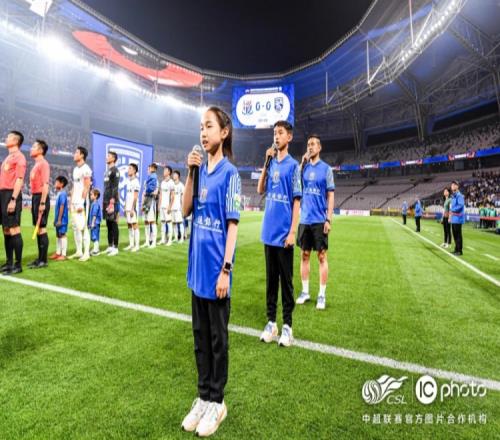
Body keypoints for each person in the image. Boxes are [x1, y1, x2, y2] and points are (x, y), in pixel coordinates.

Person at [180, 106, 241, 437]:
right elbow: (185, 209)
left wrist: (226, 270)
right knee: (200, 340)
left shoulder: (230, 174)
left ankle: (218, 402)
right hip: (197, 272)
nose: (203, 133)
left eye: (209, 126)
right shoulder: (200, 170)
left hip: (217, 272)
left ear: (224, 132)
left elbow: (232, 226)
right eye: (201, 127)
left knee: (218, 342)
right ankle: (203, 396)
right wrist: (191, 173)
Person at [257, 120, 302, 347]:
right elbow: (260, 189)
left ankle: (287, 326)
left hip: (284, 234)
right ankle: (271, 323)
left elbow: (296, 202)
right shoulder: (271, 162)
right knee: (271, 282)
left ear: (289, 137)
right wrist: (265, 164)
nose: (276, 136)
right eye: (274, 133)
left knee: (286, 282)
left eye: (280, 133)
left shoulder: (294, 166)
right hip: (269, 232)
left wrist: (292, 231)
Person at [296, 134, 335, 310]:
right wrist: (301, 163)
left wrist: (328, 219)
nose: (310, 147)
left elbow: (330, 195)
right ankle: (305, 292)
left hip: (319, 220)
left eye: (313, 144)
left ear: (319, 148)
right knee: (304, 255)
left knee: (321, 256)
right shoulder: (303, 168)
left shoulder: (326, 169)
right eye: (308, 144)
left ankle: (321, 295)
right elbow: (295, 184)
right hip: (305, 219)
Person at [0, 130, 26, 275]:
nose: (6, 138)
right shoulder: (8, 157)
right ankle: (9, 262)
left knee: (14, 229)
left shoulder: (20, 158)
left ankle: (18, 264)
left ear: (16, 141)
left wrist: (13, 199)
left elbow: (19, 179)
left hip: (11, 194)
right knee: (6, 229)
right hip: (2, 194)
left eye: (9, 137)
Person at [27, 140, 51, 269]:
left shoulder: (44, 164)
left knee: (41, 228)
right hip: (35, 197)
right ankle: (40, 258)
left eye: (34, 147)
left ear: (41, 150)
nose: (31, 149)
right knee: (37, 229)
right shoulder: (36, 164)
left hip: (41, 197)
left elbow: (46, 184)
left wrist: (42, 202)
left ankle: (43, 260)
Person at [70, 146, 92, 262]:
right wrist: (71, 201)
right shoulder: (75, 169)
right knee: (75, 227)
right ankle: (79, 251)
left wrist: (81, 203)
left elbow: (87, 187)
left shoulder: (86, 169)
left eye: (76, 152)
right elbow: (74, 186)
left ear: (82, 155)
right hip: (74, 201)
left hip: (81, 202)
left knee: (83, 227)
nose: (74, 154)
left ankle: (86, 253)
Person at [103, 151, 120, 256]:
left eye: (108, 156)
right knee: (108, 224)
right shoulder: (107, 171)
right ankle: (110, 246)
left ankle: (116, 247)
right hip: (106, 200)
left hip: (112, 201)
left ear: (113, 159)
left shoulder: (115, 171)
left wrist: (112, 200)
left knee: (113, 223)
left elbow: (115, 187)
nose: (106, 157)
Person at [49, 175, 69, 261]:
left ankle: (63, 255)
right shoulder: (59, 193)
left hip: (62, 220)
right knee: (58, 235)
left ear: (62, 184)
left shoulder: (63, 194)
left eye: (56, 182)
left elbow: (62, 206)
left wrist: (60, 220)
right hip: (58, 219)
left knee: (62, 234)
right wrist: (55, 219)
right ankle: (58, 252)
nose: (55, 184)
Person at [124, 163, 141, 252]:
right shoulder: (128, 181)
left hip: (132, 208)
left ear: (134, 170)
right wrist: (125, 206)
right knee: (129, 225)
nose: (128, 170)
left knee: (134, 224)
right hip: (127, 206)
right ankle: (131, 244)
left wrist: (132, 208)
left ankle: (137, 245)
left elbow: (135, 197)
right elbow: (127, 195)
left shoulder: (136, 182)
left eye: (130, 168)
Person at [141, 163, 158, 248]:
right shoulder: (147, 180)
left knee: (152, 221)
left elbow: (155, 192)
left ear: (153, 169)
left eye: (150, 168)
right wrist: (142, 203)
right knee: (146, 221)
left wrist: (151, 193)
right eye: (148, 169)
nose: (148, 170)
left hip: (151, 201)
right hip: (145, 201)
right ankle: (147, 241)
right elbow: (144, 192)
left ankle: (154, 242)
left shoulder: (155, 180)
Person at [158, 166, 175, 246]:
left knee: (169, 222)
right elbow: (161, 195)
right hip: (162, 206)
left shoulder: (171, 182)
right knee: (162, 222)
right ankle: (163, 239)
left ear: (169, 172)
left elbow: (173, 196)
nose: (164, 171)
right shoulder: (162, 182)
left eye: (165, 170)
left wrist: (170, 206)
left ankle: (170, 240)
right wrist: (159, 205)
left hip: (167, 206)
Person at [450, 180, 465, 255]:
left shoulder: (459, 195)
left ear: (457, 186)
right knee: (455, 235)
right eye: (451, 185)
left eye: (454, 185)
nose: (452, 186)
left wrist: (452, 209)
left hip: (458, 218)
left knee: (458, 235)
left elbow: (460, 205)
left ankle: (459, 251)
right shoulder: (453, 196)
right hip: (454, 218)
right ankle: (456, 249)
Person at [172, 170, 185, 243]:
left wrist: (182, 206)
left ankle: (182, 238)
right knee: (174, 223)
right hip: (172, 206)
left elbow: (183, 197)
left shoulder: (181, 185)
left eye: (175, 175)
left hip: (178, 207)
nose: (173, 176)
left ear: (178, 176)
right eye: (173, 174)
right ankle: (176, 237)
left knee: (180, 222)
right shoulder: (172, 185)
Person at [89, 189, 102, 256]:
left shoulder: (95, 204)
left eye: (91, 194)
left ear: (96, 195)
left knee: (95, 236)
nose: (90, 196)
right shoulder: (94, 203)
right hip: (95, 223)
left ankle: (96, 251)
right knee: (94, 236)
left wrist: (93, 223)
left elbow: (94, 214)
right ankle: (96, 248)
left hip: (95, 223)